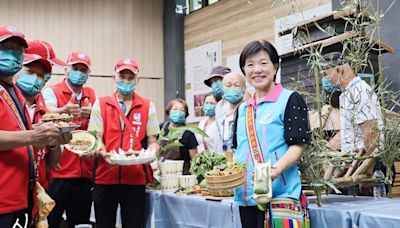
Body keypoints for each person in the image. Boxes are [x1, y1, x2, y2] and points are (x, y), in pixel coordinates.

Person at [233, 40, 311, 228]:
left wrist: (275, 171)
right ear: (244, 71)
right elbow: (238, 150)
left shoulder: (290, 99)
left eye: (263, 63)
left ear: (275, 67)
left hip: (280, 195)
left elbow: (298, 146)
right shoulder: (242, 109)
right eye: (250, 65)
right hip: (247, 196)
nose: (257, 70)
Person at [0, 25, 62, 227]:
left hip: (24, 200)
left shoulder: (15, 93)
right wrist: (33, 137)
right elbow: (27, 138)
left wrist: (53, 139)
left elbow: (47, 159)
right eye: (6, 48)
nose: (13, 55)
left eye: (18, 50)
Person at [87, 57, 160, 228]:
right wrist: (104, 153)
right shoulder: (101, 104)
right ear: (114, 78)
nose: (126, 81)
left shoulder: (148, 106)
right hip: (105, 177)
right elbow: (96, 136)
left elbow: (153, 140)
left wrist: (151, 153)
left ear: (137, 80)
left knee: (134, 224)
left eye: (130, 78)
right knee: (104, 224)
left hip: (135, 179)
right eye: (122, 77)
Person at [43, 51, 96, 228]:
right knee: (51, 221)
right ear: (66, 70)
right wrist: (63, 110)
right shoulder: (52, 91)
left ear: (88, 74)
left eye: (83, 70)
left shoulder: (91, 94)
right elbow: (45, 111)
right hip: (59, 172)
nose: (79, 73)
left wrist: (94, 114)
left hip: (84, 172)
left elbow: (96, 128)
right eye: (75, 68)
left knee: (81, 223)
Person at [322, 52, 384, 195]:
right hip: (353, 166)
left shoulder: (360, 92)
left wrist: (366, 172)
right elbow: (349, 130)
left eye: (326, 74)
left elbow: (371, 132)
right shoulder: (346, 95)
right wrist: (326, 148)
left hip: (364, 166)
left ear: (338, 70)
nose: (325, 80)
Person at [20, 40, 69, 190]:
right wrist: (32, 136)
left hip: (38, 189)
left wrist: (55, 144)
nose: (40, 76)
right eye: (30, 71)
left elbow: (49, 164)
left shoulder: (45, 111)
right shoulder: (7, 101)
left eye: (44, 72)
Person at [160, 98, 198, 174]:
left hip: (181, 173)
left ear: (185, 114)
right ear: (169, 112)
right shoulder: (162, 127)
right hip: (163, 171)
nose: (178, 112)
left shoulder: (188, 132)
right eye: (175, 109)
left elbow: (194, 159)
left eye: (182, 110)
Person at [218, 72, 246, 158]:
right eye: (228, 85)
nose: (232, 88)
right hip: (228, 162)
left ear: (244, 88)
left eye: (237, 85)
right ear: (223, 89)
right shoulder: (222, 116)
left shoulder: (247, 111)